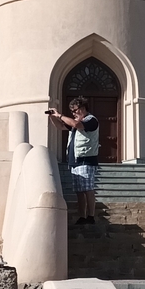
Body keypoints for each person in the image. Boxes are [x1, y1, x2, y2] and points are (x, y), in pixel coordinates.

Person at [48, 96, 99, 225]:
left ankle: (91, 216)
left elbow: (76, 125)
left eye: (75, 110)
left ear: (82, 108)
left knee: (88, 189)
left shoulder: (91, 120)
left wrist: (60, 115)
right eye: (72, 112)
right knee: (80, 191)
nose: (74, 113)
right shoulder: (75, 122)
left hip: (86, 160)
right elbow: (61, 127)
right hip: (75, 161)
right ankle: (82, 216)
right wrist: (53, 117)